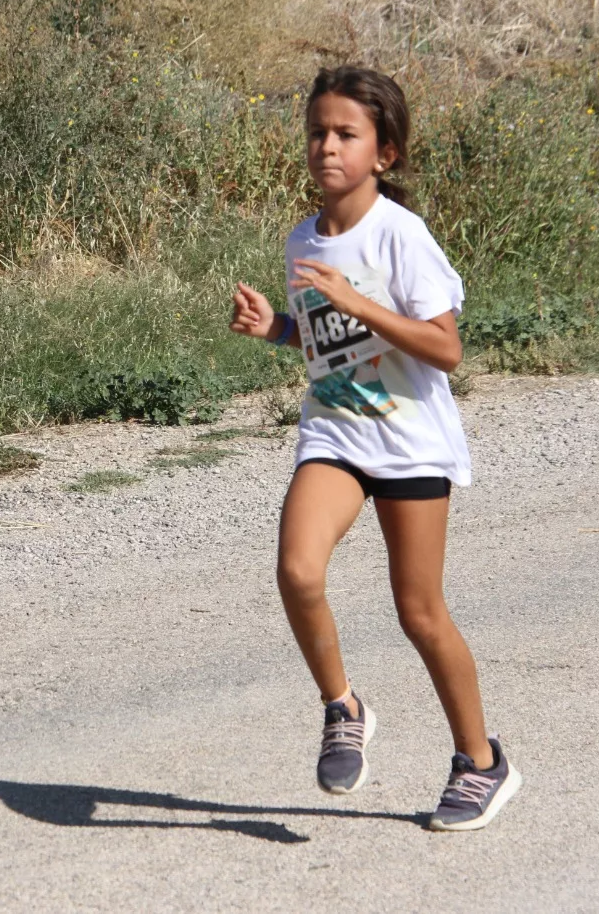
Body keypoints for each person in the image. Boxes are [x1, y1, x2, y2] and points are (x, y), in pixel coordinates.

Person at [229, 66, 521, 831]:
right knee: (297, 569)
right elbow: (332, 347)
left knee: (420, 614)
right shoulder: (303, 239)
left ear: (383, 154)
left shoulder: (401, 236)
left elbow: (445, 349)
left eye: (346, 134)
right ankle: (343, 706)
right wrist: (281, 330)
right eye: (318, 132)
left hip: (411, 444)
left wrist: (360, 299)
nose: (328, 146)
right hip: (336, 431)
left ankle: (482, 763)